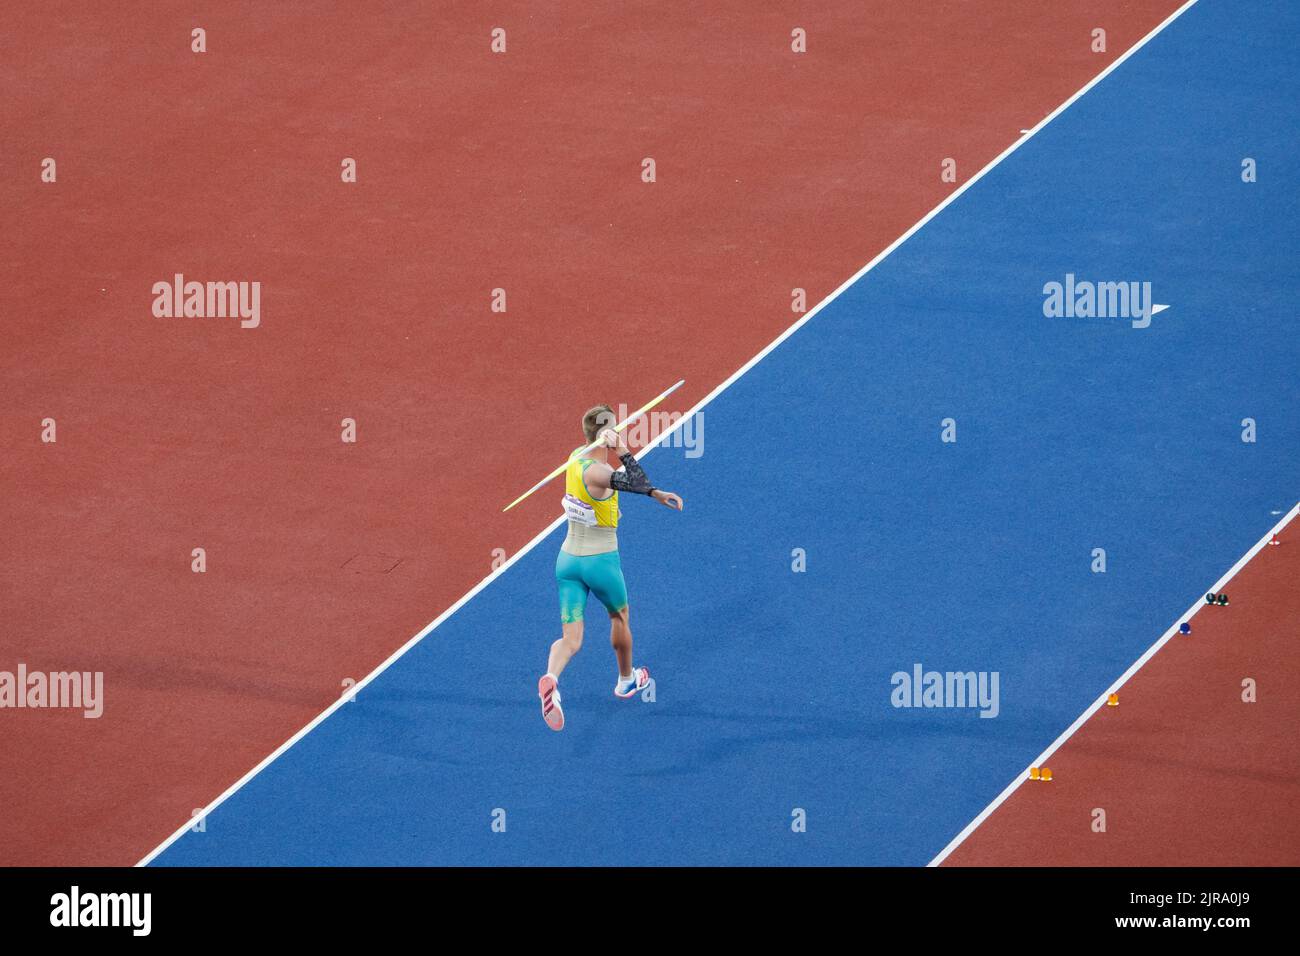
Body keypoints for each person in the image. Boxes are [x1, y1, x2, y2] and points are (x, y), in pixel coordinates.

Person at [537, 404, 684, 731]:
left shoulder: (576, 457)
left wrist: (606, 444)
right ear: (605, 433)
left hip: (567, 561)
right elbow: (635, 480)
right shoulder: (597, 473)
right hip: (599, 563)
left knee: (570, 639)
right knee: (619, 617)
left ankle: (550, 677)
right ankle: (626, 680)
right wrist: (622, 450)